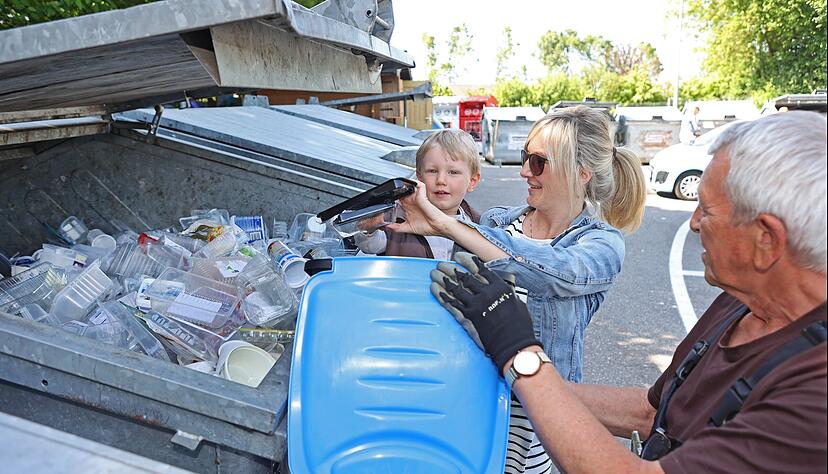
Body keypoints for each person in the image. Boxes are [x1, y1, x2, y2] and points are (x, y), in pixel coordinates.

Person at [430, 110, 827, 473]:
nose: (692, 224)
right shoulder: (737, 306)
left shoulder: (814, 398)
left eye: (706, 210)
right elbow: (651, 411)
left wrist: (520, 354)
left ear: (766, 240)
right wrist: (526, 392)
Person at [389, 105, 647, 473]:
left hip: (535, 419)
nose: (524, 170)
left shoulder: (602, 246)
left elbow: (554, 274)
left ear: (581, 173)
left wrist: (449, 226)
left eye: (538, 162)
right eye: (526, 158)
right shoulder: (495, 222)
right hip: (467, 402)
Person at [355, 129, 481, 260]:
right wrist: (370, 226)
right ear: (419, 178)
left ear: (472, 181)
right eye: (432, 171)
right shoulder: (400, 216)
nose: (441, 180)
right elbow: (370, 245)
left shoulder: (480, 226)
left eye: (453, 172)